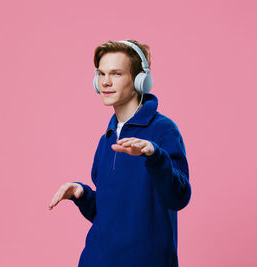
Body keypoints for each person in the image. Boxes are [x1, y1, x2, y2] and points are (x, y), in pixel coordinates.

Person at [48, 39, 191, 267]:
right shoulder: (107, 138)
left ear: (140, 80)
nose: (105, 82)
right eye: (101, 74)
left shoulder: (163, 130)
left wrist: (155, 156)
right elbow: (110, 215)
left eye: (116, 74)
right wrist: (82, 194)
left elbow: (178, 197)